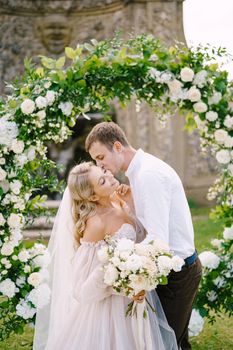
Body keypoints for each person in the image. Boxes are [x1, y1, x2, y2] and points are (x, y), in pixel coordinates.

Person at [33, 162, 177, 350]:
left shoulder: (119, 199)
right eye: (102, 181)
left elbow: (141, 238)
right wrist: (124, 285)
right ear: (93, 195)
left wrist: (131, 204)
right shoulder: (96, 224)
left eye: (104, 171)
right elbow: (82, 290)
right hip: (110, 309)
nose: (109, 177)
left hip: (138, 292)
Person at [86, 122, 202, 350]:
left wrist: (120, 267)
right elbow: (153, 224)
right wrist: (131, 205)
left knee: (167, 344)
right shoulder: (139, 171)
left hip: (177, 275)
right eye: (96, 161)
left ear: (117, 146)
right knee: (172, 342)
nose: (101, 166)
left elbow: (158, 241)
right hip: (170, 270)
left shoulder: (149, 174)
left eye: (101, 157)